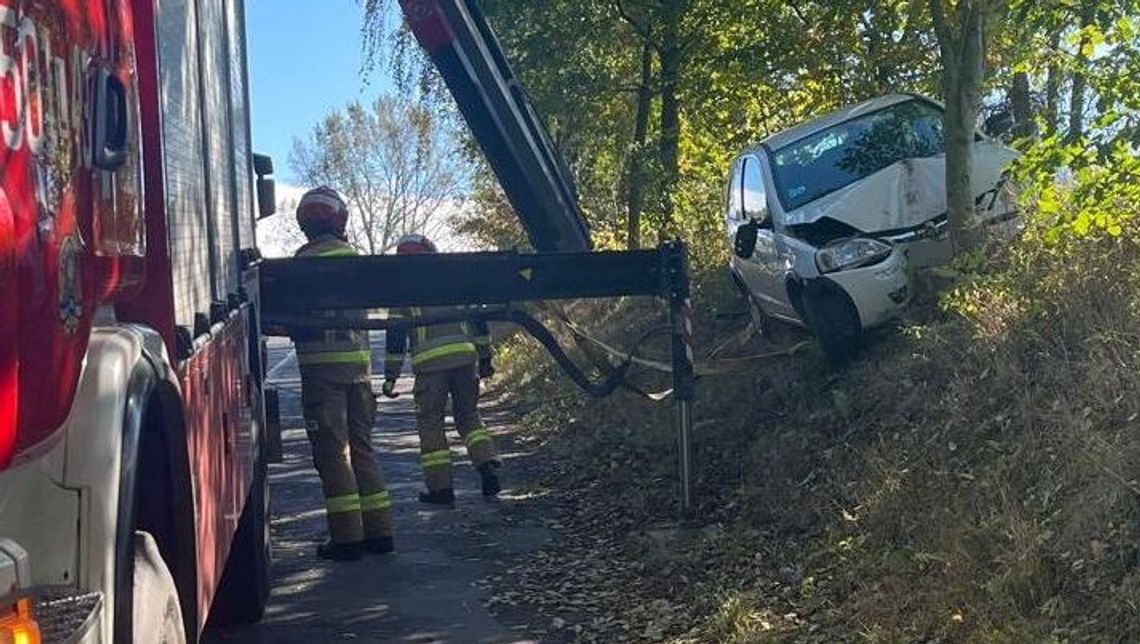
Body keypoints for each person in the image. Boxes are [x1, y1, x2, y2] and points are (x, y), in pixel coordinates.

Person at [292, 186, 394, 560]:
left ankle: (347, 538)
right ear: (341, 220)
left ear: (305, 223)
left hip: (322, 376)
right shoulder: (355, 259)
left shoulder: (303, 264)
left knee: (333, 455)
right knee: (364, 450)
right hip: (359, 372)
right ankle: (380, 533)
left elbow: (292, 319)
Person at [382, 233, 501, 505]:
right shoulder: (454, 280)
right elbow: (478, 321)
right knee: (469, 416)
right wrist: (485, 358)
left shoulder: (402, 289)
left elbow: (396, 338)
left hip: (430, 366)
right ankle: (487, 464)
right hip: (464, 359)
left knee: (431, 424)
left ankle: (441, 489)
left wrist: (391, 377)